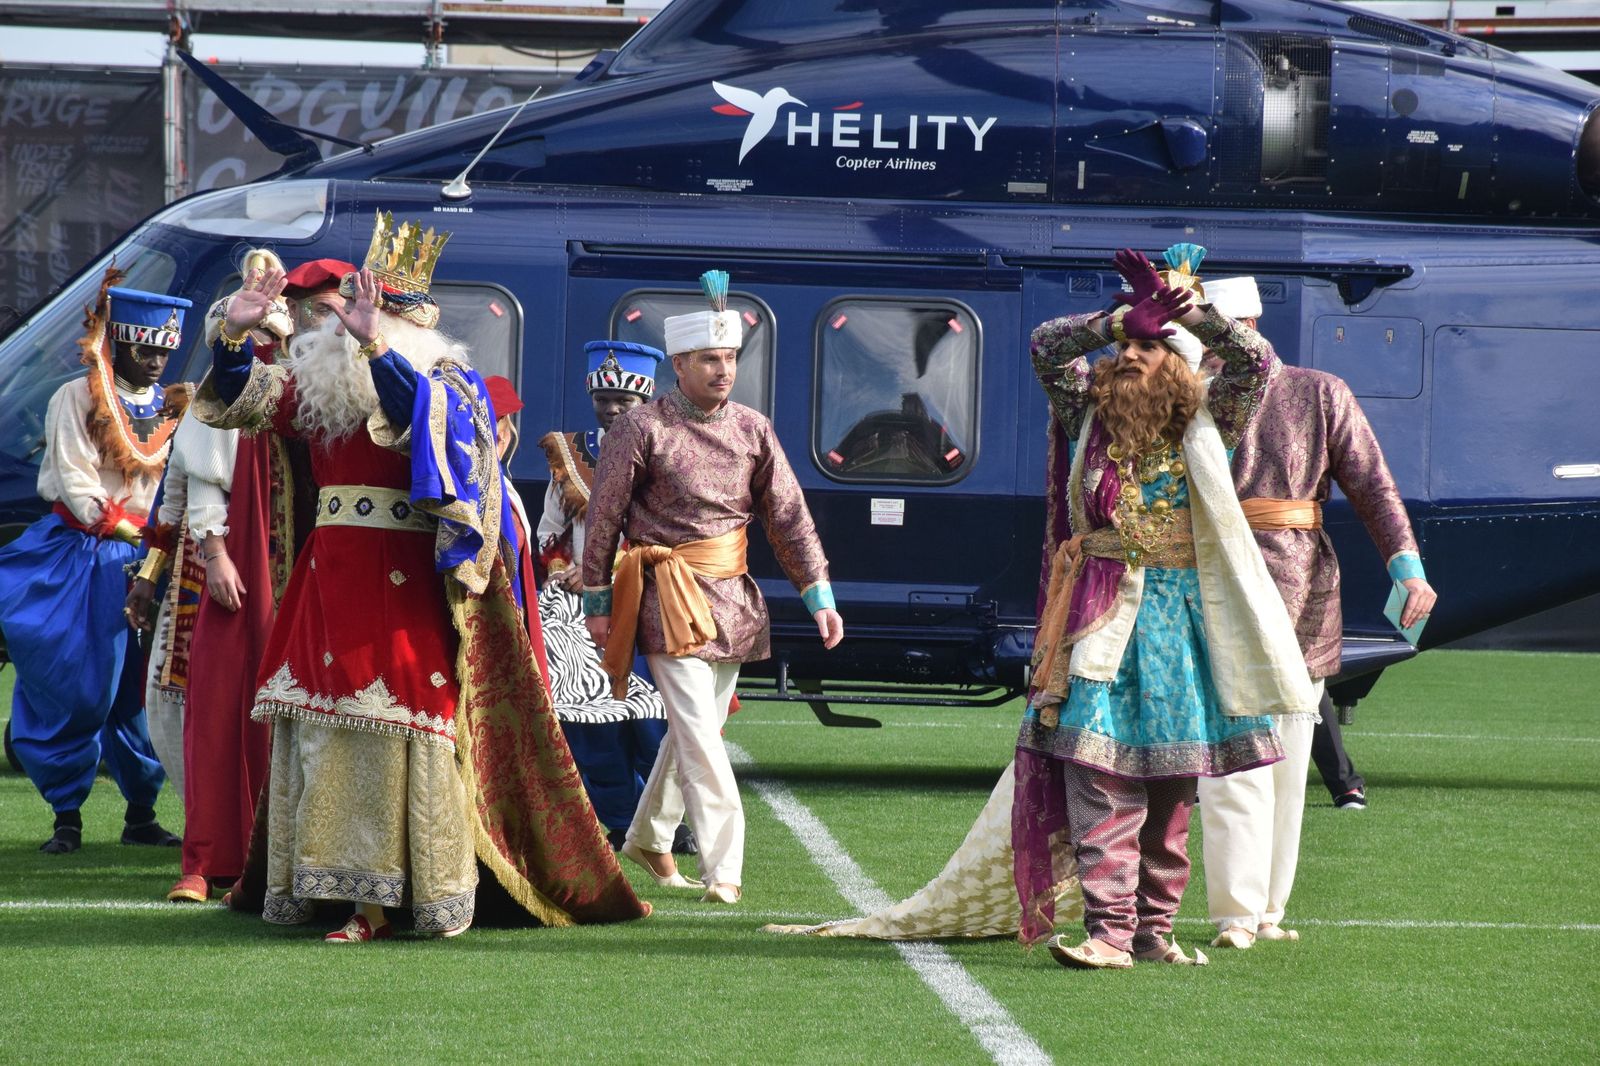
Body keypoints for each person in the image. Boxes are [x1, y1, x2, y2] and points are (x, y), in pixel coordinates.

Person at [195, 210, 647, 941]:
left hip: (402, 575)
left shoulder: (446, 382)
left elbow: (425, 426)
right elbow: (242, 399)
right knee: (318, 724)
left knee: (396, 728)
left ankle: (384, 901)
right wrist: (233, 333)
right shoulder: (316, 389)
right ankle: (320, 888)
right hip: (327, 576)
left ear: (412, 327)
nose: (343, 327)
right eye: (345, 316)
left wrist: (375, 346)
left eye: (369, 315)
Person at [1014, 245, 1318, 969]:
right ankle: (1109, 932)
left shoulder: (1214, 416)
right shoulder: (1085, 407)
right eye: (1126, 347)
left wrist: (1200, 316)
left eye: (1150, 347)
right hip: (1098, 613)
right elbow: (1045, 347)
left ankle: (1154, 931)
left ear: (1180, 364)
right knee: (1096, 771)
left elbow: (1257, 365)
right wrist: (1116, 317)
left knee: (1172, 783)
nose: (1131, 356)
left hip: (1184, 621)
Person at [582, 269, 843, 904]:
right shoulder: (641, 426)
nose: (724, 369)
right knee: (699, 731)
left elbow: (788, 515)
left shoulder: (753, 427)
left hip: (734, 596)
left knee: (693, 732)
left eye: (730, 357)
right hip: (665, 594)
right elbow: (603, 516)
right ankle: (725, 867)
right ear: (679, 363)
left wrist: (820, 595)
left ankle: (647, 837)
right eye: (709, 358)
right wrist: (596, 602)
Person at [1195, 275, 1437, 949]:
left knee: (1286, 752)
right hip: (1230, 579)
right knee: (1241, 752)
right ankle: (1242, 913)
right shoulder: (1191, 391)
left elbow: (1371, 483)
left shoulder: (1317, 391)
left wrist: (1407, 564)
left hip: (1287, 584)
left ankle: (1263, 911)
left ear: (1237, 322)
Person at [130, 251, 300, 903]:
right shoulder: (218, 398)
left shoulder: (296, 395)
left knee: (279, 710)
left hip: (289, 565)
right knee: (215, 708)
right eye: (251, 335)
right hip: (226, 563)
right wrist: (212, 556)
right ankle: (207, 856)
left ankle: (269, 853)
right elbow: (191, 485)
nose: (264, 348)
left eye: (272, 338)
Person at [0, 272, 191, 853]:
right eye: (144, 349)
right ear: (117, 343)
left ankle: (141, 812)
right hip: (87, 556)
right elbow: (80, 488)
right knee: (83, 688)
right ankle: (67, 816)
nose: (156, 362)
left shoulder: (175, 405)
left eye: (164, 350)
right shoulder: (76, 397)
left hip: (151, 557)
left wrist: (161, 549)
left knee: (143, 688)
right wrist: (141, 535)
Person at [530, 346, 699, 867]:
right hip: (581, 612)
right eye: (603, 399)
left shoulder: (671, 451)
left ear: (645, 400)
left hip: (649, 604)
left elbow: (680, 534)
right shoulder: (571, 452)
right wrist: (565, 571)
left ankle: (670, 823)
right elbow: (550, 533)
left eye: (622, 400)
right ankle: (623, 821)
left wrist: (618, 568)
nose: (611, 410)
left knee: (656, 725)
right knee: (594, 725)